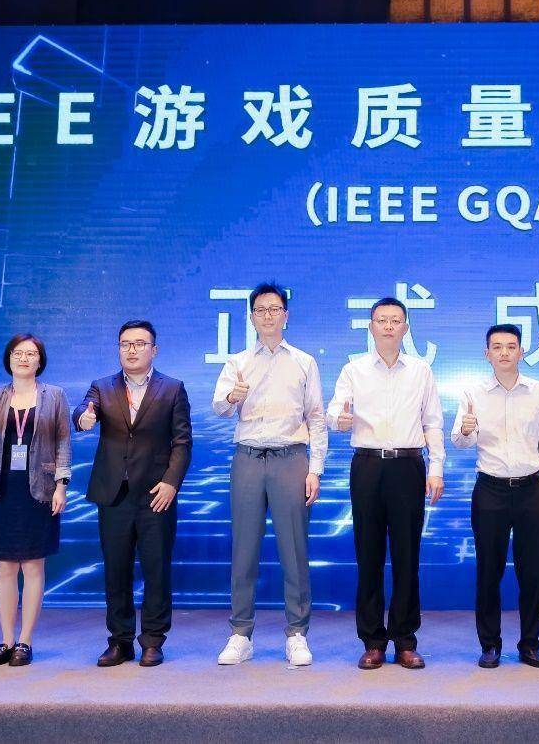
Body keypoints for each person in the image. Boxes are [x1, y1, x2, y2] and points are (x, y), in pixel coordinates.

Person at [211, 283, 327, 668]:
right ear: (251, 317)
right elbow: (219, 408)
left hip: (291, 458)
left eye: (274, 309)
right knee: (244, 548)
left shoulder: (303, 362)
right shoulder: (238, 362)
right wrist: (232, 397)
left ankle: (297, 633)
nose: (267, 316)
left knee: (294, 550)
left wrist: (315, 469)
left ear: (285, 316)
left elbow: (316, 418)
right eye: (260, 310)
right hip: (247, 458)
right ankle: (240, 633)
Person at [327, 297, 444, 670]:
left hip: (408, 465)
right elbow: (334, 411)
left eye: (396, 320)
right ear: (371, 326)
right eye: (382, 320)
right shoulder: (354, 369)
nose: (389, 326)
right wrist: (339, 420)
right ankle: (373, 641)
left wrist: (436, 467)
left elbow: (433, 422)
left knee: (407, 556)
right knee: (369, 555)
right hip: (367, 466)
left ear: (406, 327)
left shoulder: (421, 371)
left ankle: (405, 641)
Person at [75, 320, 192, 668]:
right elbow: (83, 410)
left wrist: (171, 482)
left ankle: (153, 640)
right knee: (116, 570)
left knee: (157, 570)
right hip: (114, 494)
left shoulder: (172, 388)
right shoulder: (102, 386)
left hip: (156, 494)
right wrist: (83, 418)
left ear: (154, 350)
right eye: (126, 344)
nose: (132, 350)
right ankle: (120, 641)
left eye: (140, 344)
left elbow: (182, 442)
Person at [452, 324, 539, 669]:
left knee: (533, 573)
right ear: (486, 353)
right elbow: (460, 441)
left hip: (532, 489)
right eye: (497, 347)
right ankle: (490, 645)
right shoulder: (473, 393)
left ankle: (529, 645)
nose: (504, 352)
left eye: (511, 346)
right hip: (490, 490)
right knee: (489, 571)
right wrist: (465, 431)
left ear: (521, 352)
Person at [0, 333, 71, 667]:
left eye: (30, 354)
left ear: (40, 361)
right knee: (5, 567)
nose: (23, 358)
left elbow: (63, 442)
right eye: (17, 353)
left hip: (39, 488)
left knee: (33, 565)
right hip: (2, 489)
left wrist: (61, 485)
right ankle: (6, 640)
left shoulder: (55, 395)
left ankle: (25, 641)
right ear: (9, 359)